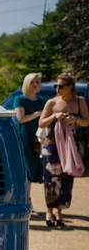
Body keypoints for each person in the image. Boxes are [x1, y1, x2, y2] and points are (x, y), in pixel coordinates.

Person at [38, 74, 89, 228]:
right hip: (51, 144)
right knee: (51, 177)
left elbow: (87, 121)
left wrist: (76, 120)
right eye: (56, 86)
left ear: (70, 86)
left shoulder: (79, 101)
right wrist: (54, 116)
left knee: (67, 177)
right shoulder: (51, 102)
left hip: (71, 146)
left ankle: (60, 210)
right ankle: (49, 210)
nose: (57, 89)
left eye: (61, 86)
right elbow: (41, 123)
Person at [13, 73, 47, 184]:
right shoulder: (20, 99)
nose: (35, 84)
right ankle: (27, 198)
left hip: (40, 137)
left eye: (37, 82)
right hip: (25, 136)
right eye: (32, 82)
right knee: (27, 169)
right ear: (26, 83)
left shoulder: (43, 101)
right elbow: (21, 119)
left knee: (40, 169)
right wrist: (37, 114)